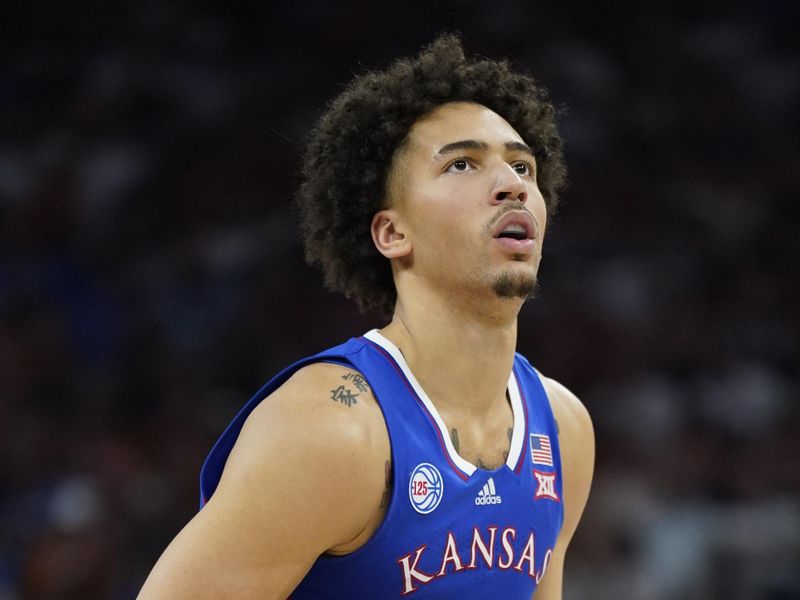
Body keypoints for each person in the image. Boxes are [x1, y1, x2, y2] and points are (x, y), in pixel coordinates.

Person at [139, 34, 594, 599]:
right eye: (461, 163)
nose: (512, 186)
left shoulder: (563, 428)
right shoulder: (333, 430)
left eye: (523, 166)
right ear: (392, 233)